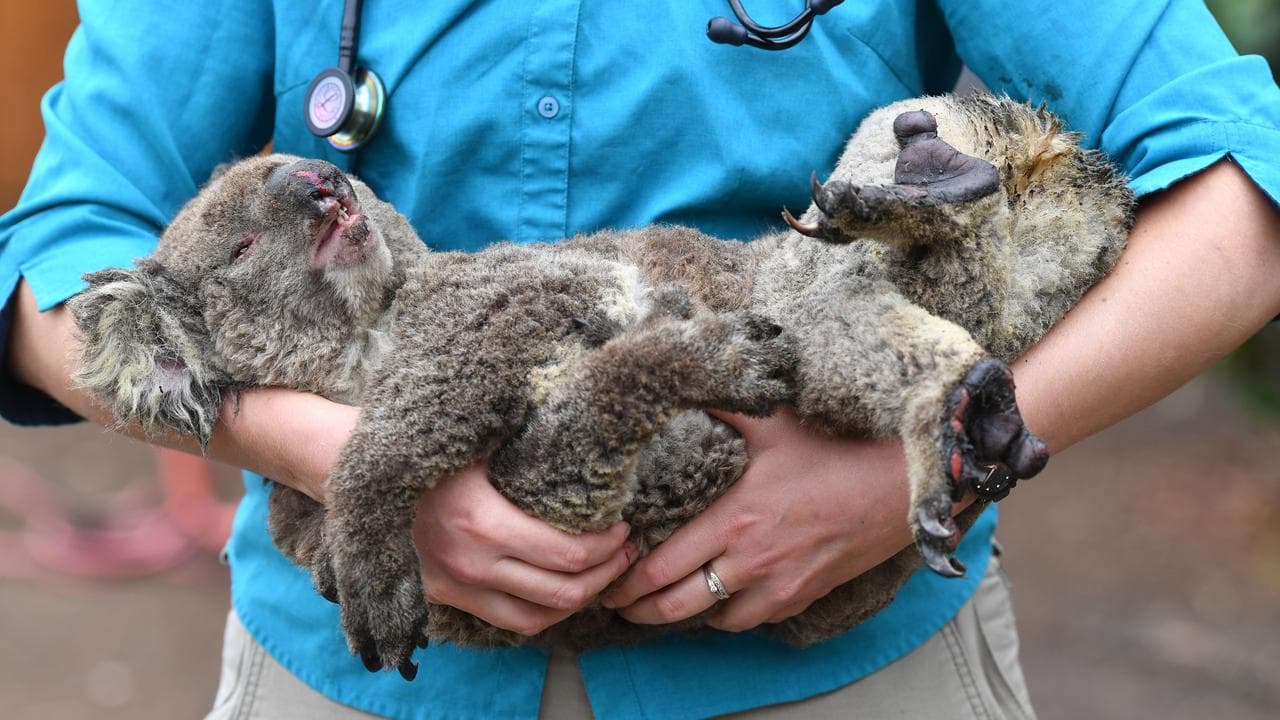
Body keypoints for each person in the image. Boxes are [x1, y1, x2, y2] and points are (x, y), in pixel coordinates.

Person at [2, 1, 1278, 718]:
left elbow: (1238, 197)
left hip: (829, 663)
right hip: (363, 669)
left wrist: (906, 477)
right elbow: (54, 261)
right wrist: (347, 464)